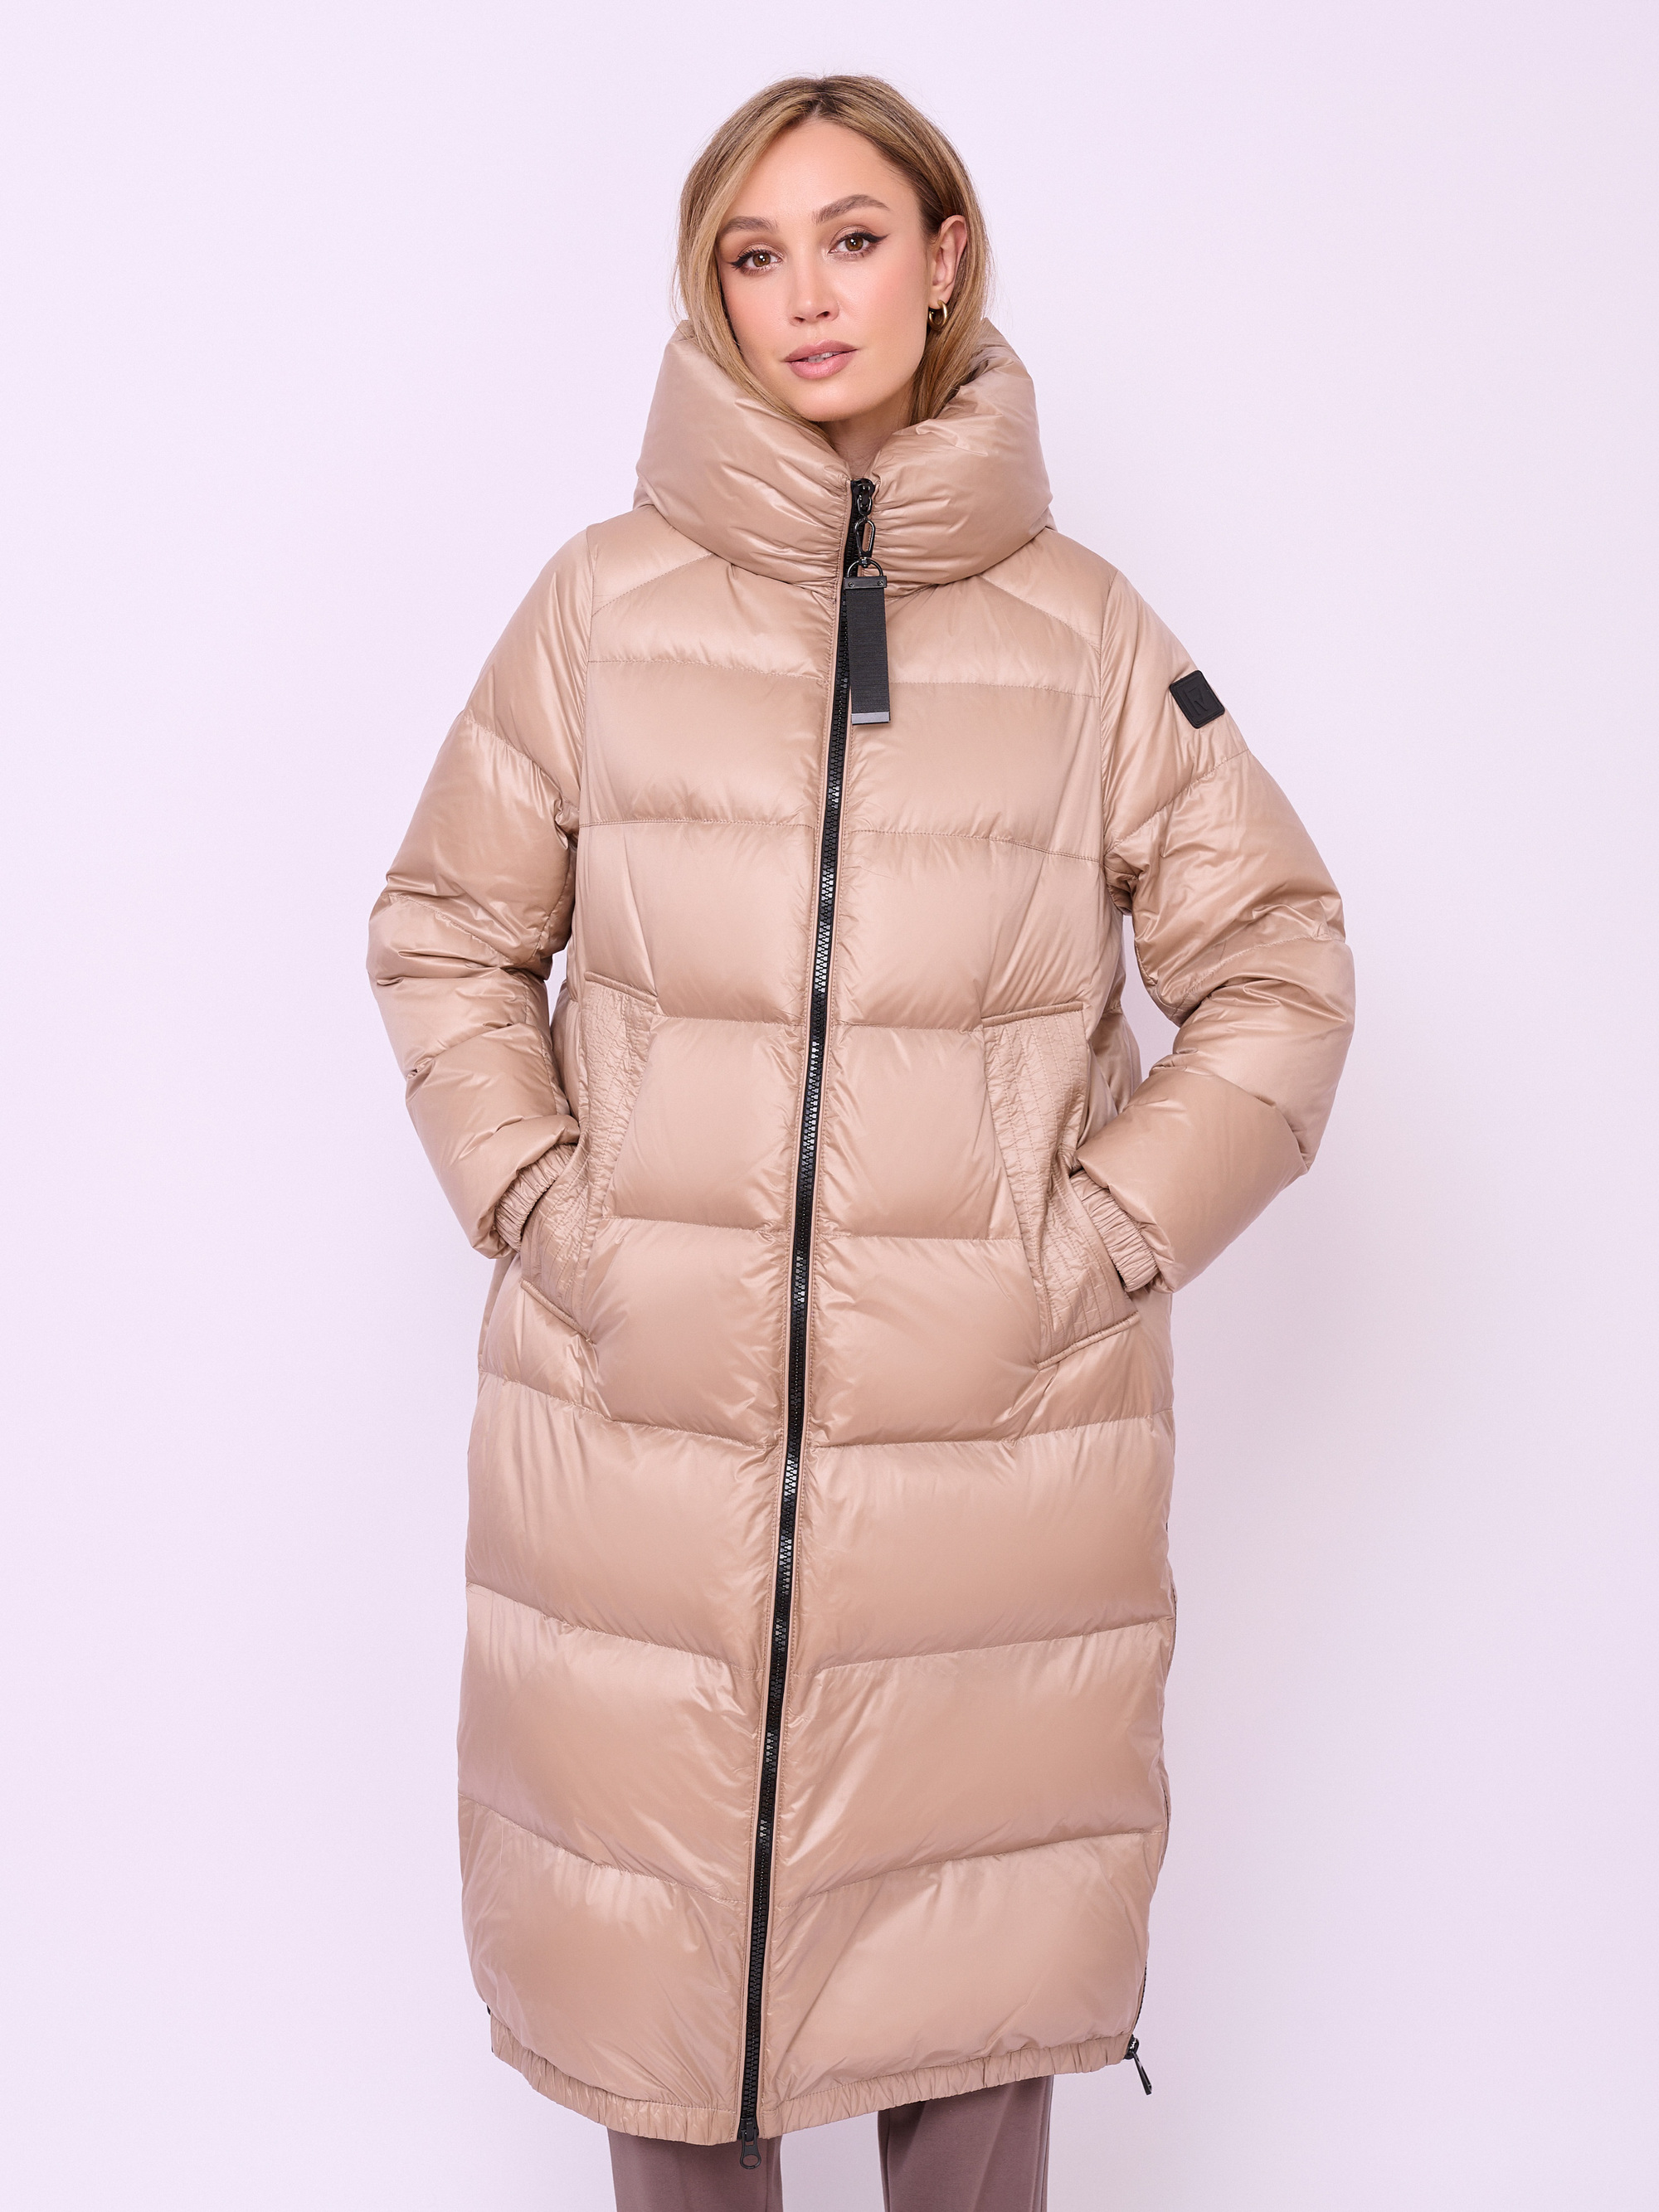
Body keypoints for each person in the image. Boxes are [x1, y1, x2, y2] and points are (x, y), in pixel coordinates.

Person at [368, 73, 1354, 2212]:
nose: (808, 294)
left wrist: (1089, 1248)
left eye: (853, 237)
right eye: (756, 253)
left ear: (944, 258)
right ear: (710, 294)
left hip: (996, 1473)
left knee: (971, 2023)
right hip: (643, 1462)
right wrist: (549, 1210)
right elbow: (445, 928)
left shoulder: (1091, 636)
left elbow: (1281, 965)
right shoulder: (600, 608)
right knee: (671, 2025)